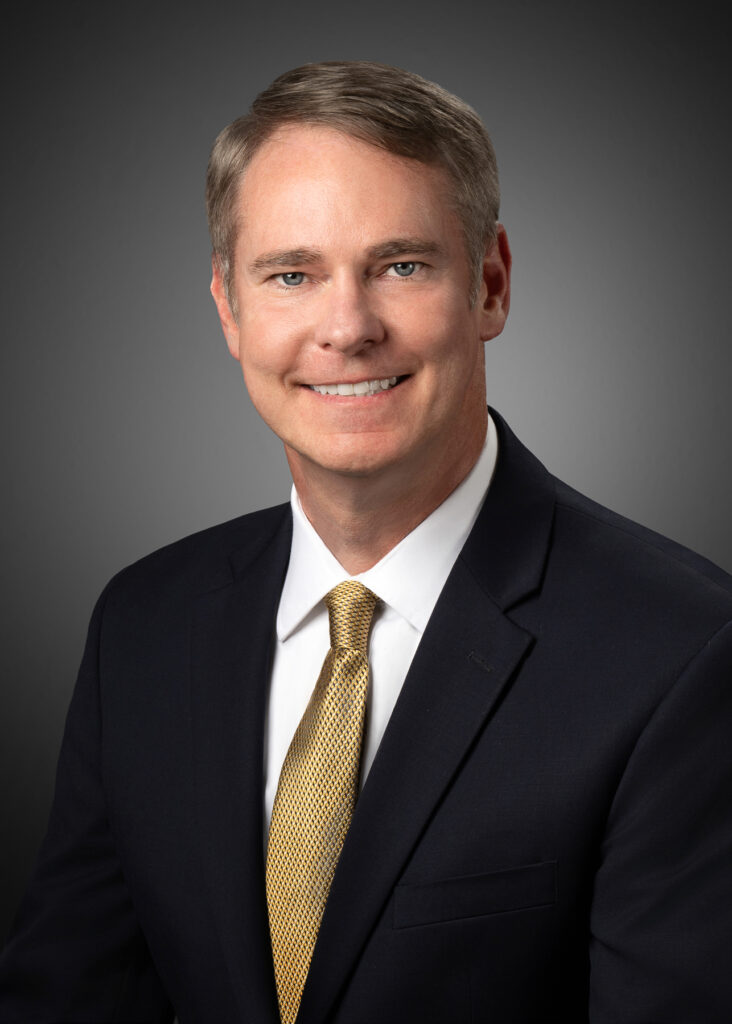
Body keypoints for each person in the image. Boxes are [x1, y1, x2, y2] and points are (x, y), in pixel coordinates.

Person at [0, 59, 730, 1024]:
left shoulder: (682, 650)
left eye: (401, 266)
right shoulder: (144, 623)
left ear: (492, 285)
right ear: (229, 307)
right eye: (292, 275)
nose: (345, 328)